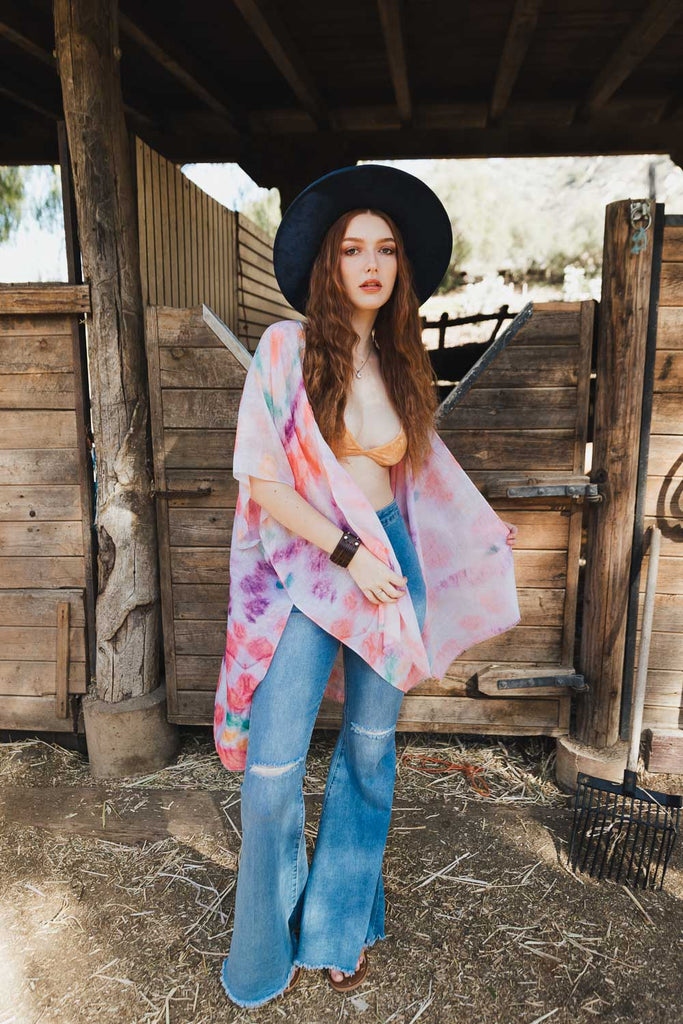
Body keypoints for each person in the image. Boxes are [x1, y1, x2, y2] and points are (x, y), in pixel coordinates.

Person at [214, 164, 520, 1008]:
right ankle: (264, 948)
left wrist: (476, 537)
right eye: (353, 248)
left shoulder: (398, 361)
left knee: (368, 754)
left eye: (385, 249)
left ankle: (338, 926)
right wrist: (350, 554)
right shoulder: (285, 348)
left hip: (390, 567)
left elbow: (422, 483)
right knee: (274, 768)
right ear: (328, 262)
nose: (371, 263)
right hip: (313, 567)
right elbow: (264, 482)